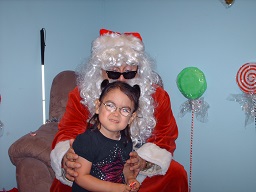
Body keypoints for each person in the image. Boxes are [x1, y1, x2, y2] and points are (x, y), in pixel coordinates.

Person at [50, 28, 188, 192]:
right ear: (99, 70)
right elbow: (69, 131)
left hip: (134, 165)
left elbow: (166, 138)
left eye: (129, 73)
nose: (122, 80)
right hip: (93, 165)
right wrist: (67, 156)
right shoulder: (82, 94)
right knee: (67, 181)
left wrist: (144, 161)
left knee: (177, 173)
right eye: (113, 73)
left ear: (139, 70)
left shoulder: (158, 96)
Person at [72, 80, 140, 192]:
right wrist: (116, 188)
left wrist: (130, 179)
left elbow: (125, 167)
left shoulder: (126, 141)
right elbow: (81, 177)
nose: (116, 113)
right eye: (110, 105)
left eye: (124, 110)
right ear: (98, 106)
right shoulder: (87, 140)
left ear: (131, 118)